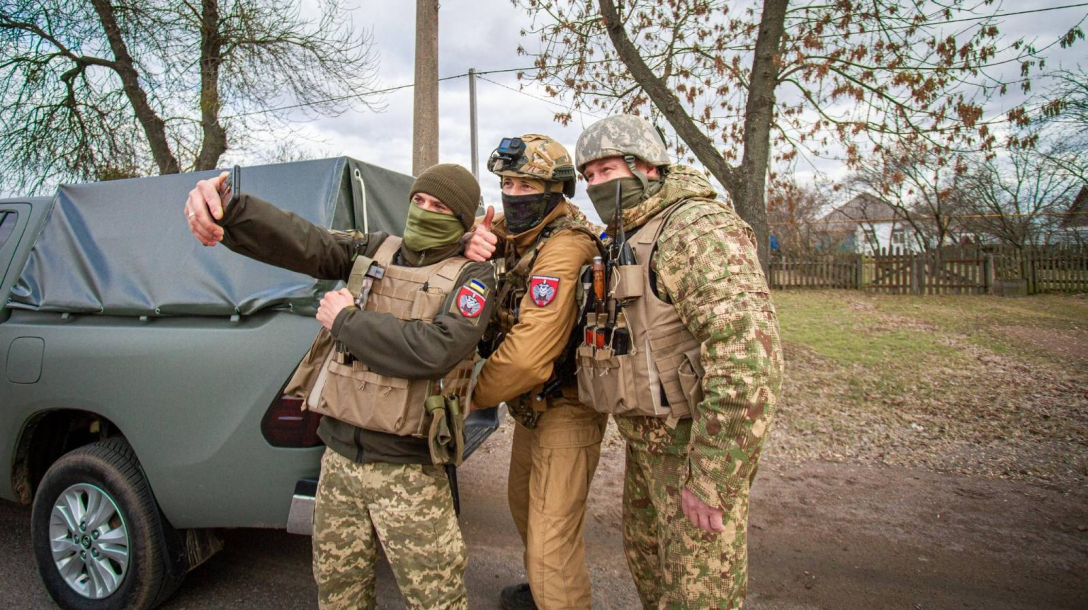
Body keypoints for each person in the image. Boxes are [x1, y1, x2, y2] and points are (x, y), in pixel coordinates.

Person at [183, 163, 494, 610]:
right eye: (419, 201)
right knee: (338, 594)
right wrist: (233, 209)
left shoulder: (473, 277)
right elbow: (308, 241)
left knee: (437, 599)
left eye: (440, 207)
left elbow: (435, 350)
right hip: (339, 463)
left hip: (408, 473)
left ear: (462, 222)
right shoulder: (373, 250)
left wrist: (347, 321)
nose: (425, 212)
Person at [573, 114, 783, 610]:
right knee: (653, 579)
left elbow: (748, 361)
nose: (595, 185)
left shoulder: (694, 229)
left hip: (690, 452)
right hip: (645, 449)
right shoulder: (627, 233)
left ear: (645, 166)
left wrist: (711, 478)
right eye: (588, 177)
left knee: (698, 596)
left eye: (605, 170)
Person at [464, 134, 608, 610]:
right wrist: (470, 238)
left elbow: (528, 356)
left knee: (551, 543)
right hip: (533, 406)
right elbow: (480, 232)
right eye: (507, 182)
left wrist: (469, 396)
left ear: (555, 190)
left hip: (567, 408)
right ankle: (544, 593)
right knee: (525, 506)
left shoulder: (567, 246)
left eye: (527, 184)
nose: (514, 192)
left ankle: (557, 595)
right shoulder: (521, 230)